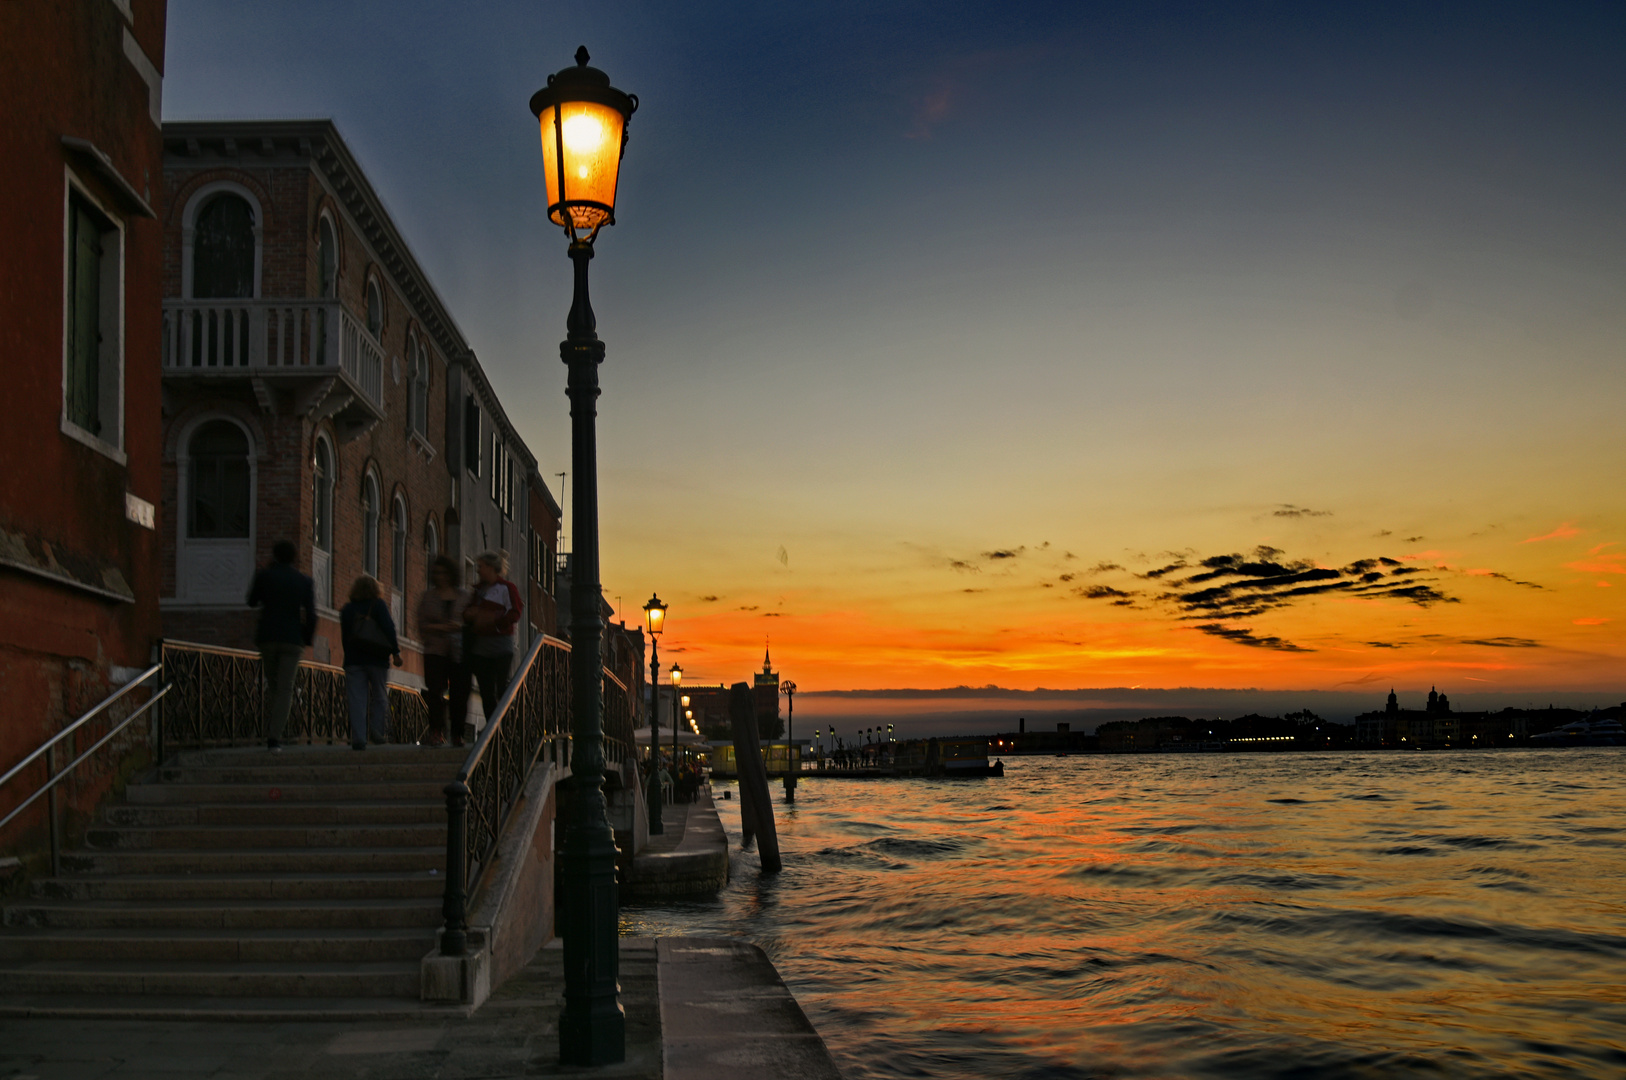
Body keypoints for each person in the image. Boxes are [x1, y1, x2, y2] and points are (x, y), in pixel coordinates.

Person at [246, 540, 317, 751]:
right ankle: (274, 737)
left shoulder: (265, 576)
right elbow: (311, 614)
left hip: (268, 637)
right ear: (294, 558)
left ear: (274, 555)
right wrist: (306, 637)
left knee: (274, 686)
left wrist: (261, 578)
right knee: (285, 689)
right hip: (292, 639)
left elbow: (251, 601)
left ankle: (272, 730)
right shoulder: (303, 581)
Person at [339, 574, 401, 750]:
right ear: (375, 590)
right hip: (377, 658)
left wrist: (349, 657)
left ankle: (359, 738)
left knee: (357, 699)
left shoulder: (347, 610)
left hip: (354, 660)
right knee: (380, 696)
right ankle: (377, 729)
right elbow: (389, 629)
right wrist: (395, 652)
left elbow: (345, 637)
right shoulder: (378, 605)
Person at [417, 555, 471, 747]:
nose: (440, 576)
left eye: (443, 573)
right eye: (437, 573)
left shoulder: (464, 596)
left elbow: (471, 623)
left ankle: (457, 734)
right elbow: (422, 625)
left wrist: (458, 627)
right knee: (435, 692)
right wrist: (442, 628)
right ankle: (436, 732)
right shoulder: (428, 597)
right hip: (435, 651)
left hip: (459, 652)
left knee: (460, 694)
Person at [463, 550, 522, 724]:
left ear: (490, 568)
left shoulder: (507, 588)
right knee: (486, 692)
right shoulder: (478, 591)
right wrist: (470, 615)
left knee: (501, 689)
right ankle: (493, 728)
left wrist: (493, 620)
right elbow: (467, 614)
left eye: (480, 567)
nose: (478, 570)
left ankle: (505, 725)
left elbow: (515, 613)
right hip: (480, 648)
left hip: (500, 646)